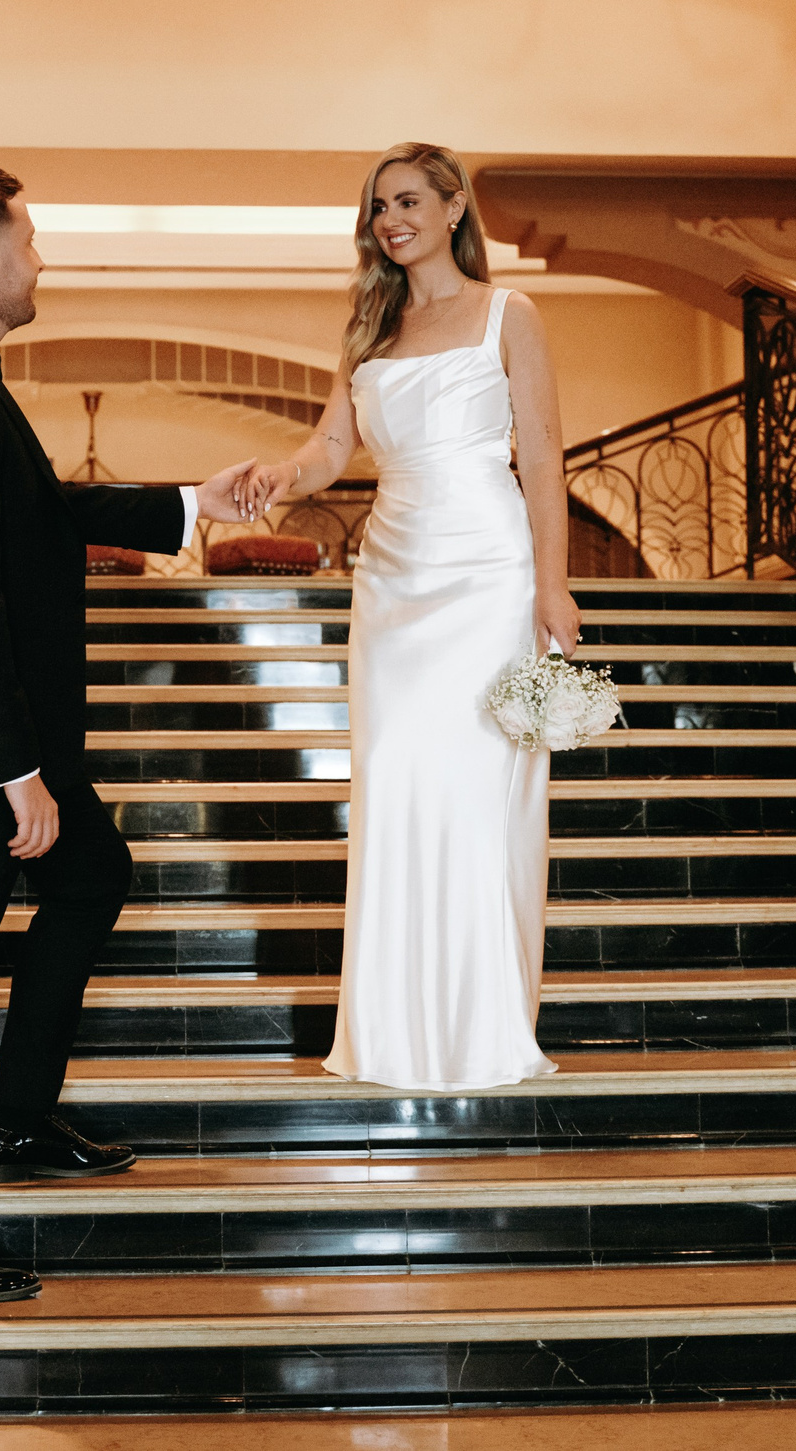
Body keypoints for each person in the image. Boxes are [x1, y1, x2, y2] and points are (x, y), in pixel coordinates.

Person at [0, 165, 257, 1305]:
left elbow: (39, 515)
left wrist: (190, 503)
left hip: (11, 734)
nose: (38, 259)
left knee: (89, 880)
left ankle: (15, 1120)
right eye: (26, 240)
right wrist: (13, 768)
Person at [236, 142, 581, 1091]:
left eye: (409, 200)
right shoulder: (367, 331)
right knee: (392, 787)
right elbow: (330, 448)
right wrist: (280, 475)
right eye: (379, 206)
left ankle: (483, 1025)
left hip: (487, 574)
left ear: (456, 205)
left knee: (479, 796)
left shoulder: (512, 313)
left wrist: (552, 585)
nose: (392, 219)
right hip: (392, 579)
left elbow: (544, 457)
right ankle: (389, 1030)